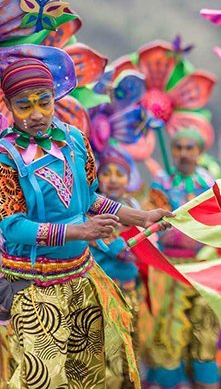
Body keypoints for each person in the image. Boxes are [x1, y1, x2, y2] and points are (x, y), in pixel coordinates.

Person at [0, 56, 170, 388]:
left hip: (82, 277)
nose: (36, 114)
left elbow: (89, 198)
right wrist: (79, 231)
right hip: (33, 287)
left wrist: (141, 217)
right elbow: (12, 226)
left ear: (54, 98)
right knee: (44, 380)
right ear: (7, 105)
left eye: (44, 102)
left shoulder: (75, 139)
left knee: (88, 376)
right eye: (23, 105)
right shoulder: (5, 157)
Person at [144, 127, 220, 389]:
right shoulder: (161, 183)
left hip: (203, 266)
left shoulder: (209, 184)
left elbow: (219, 223)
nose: (184, 153)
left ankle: (204, 379)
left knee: (205, 329)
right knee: (169, 329)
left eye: (190, 148)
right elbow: (148, 222)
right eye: (178, 147)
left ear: (200, 152)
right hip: (169, 268)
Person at [92, 145, 145, 388]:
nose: (113, 180)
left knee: (132, 353)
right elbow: (117, 249)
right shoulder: (91, 210)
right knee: (110, 356)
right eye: (106, 173)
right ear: (96, 177)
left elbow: (143, 249)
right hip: (103, 294)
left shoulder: (135, 207)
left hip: (131, 290)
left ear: (129, 178)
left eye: (120, 174)